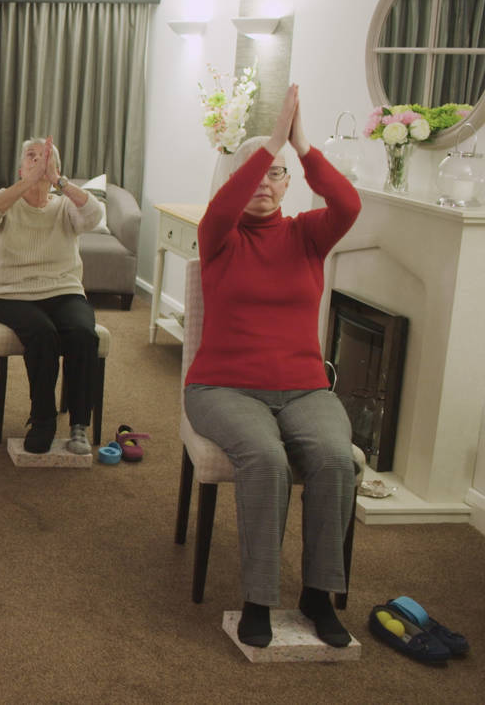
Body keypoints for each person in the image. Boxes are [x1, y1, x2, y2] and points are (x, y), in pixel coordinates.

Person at [184, 84, 362, 649]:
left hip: (305, 388)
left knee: (337, 459)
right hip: (223, 387)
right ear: (238, 182)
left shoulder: (308, 235)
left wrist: (302, 147)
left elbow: (350, 205)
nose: (265, 184)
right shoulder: (220, 236)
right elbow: (222, 205)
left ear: (290, 185)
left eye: (277, 175)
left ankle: (317, 595)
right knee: (265, 458)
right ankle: (259, 598)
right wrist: (269, 146)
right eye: (257, 175)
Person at [0, 136, 106, 454]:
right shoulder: (4, 200)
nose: (37, 160)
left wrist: (57, 181)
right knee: (42, 334)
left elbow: (94, 215)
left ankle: (79, 424)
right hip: (13, 293)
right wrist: (30, 183)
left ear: (56, 169)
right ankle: (43, 420)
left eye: (44, 157)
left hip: (63, 290)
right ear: (21, 168)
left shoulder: (65, 206)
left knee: (82, 333)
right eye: (30, 157)